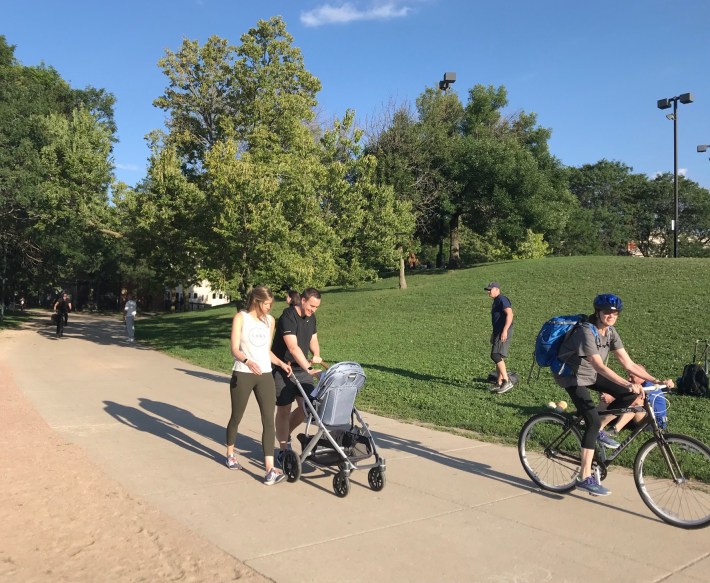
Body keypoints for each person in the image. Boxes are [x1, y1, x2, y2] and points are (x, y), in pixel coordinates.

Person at [554, 293, 673, 496]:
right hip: (571, 376)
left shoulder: (610, 332)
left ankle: (598, 429)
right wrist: (627, 383)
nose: (611, 316)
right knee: (592, 421)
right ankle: (584, 477)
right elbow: (599, 366)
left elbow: (628, 363)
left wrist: (655, 381)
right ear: (598, 312)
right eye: (607, 312)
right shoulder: (586, 331)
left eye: (615, 313)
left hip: (590, 374)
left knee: (627, 396)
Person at [226, 286, 292, 485]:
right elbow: (234, 349)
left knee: (268, 420)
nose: (269, 308)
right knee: (237, 416)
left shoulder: (270, 321)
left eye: (271, 305)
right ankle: (230, 453)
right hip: (243, 373)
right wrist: (247, 361)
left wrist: (280, 363)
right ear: (256, 301)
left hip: (265, 374)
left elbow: (266, 351)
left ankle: (270, 469)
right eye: (266, 304)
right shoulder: (241, 317)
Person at [271, 288, 323, 465]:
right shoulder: (287, 317)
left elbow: (313, 339)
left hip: (302, 369)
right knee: (284, 409)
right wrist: (309, 367)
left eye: (316, 307)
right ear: (302, 300)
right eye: (311, 306)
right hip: (283, 368)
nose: (313, 310)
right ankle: (283, 449)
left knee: (307, 407)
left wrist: (315, 353)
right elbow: (293, 348)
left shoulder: (311, 317)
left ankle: (285, 434)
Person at [484, 282, 515, 393]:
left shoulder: (502, 299)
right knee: (498, 356)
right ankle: (499, 382)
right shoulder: (496, 301)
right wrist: (494, 333)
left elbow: (510, 314)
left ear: (496, 289)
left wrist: (505, 330)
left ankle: (507, 382)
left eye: (490, 289)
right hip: (498, 331)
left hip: (504, 330)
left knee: (495, 355)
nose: (488, 292)